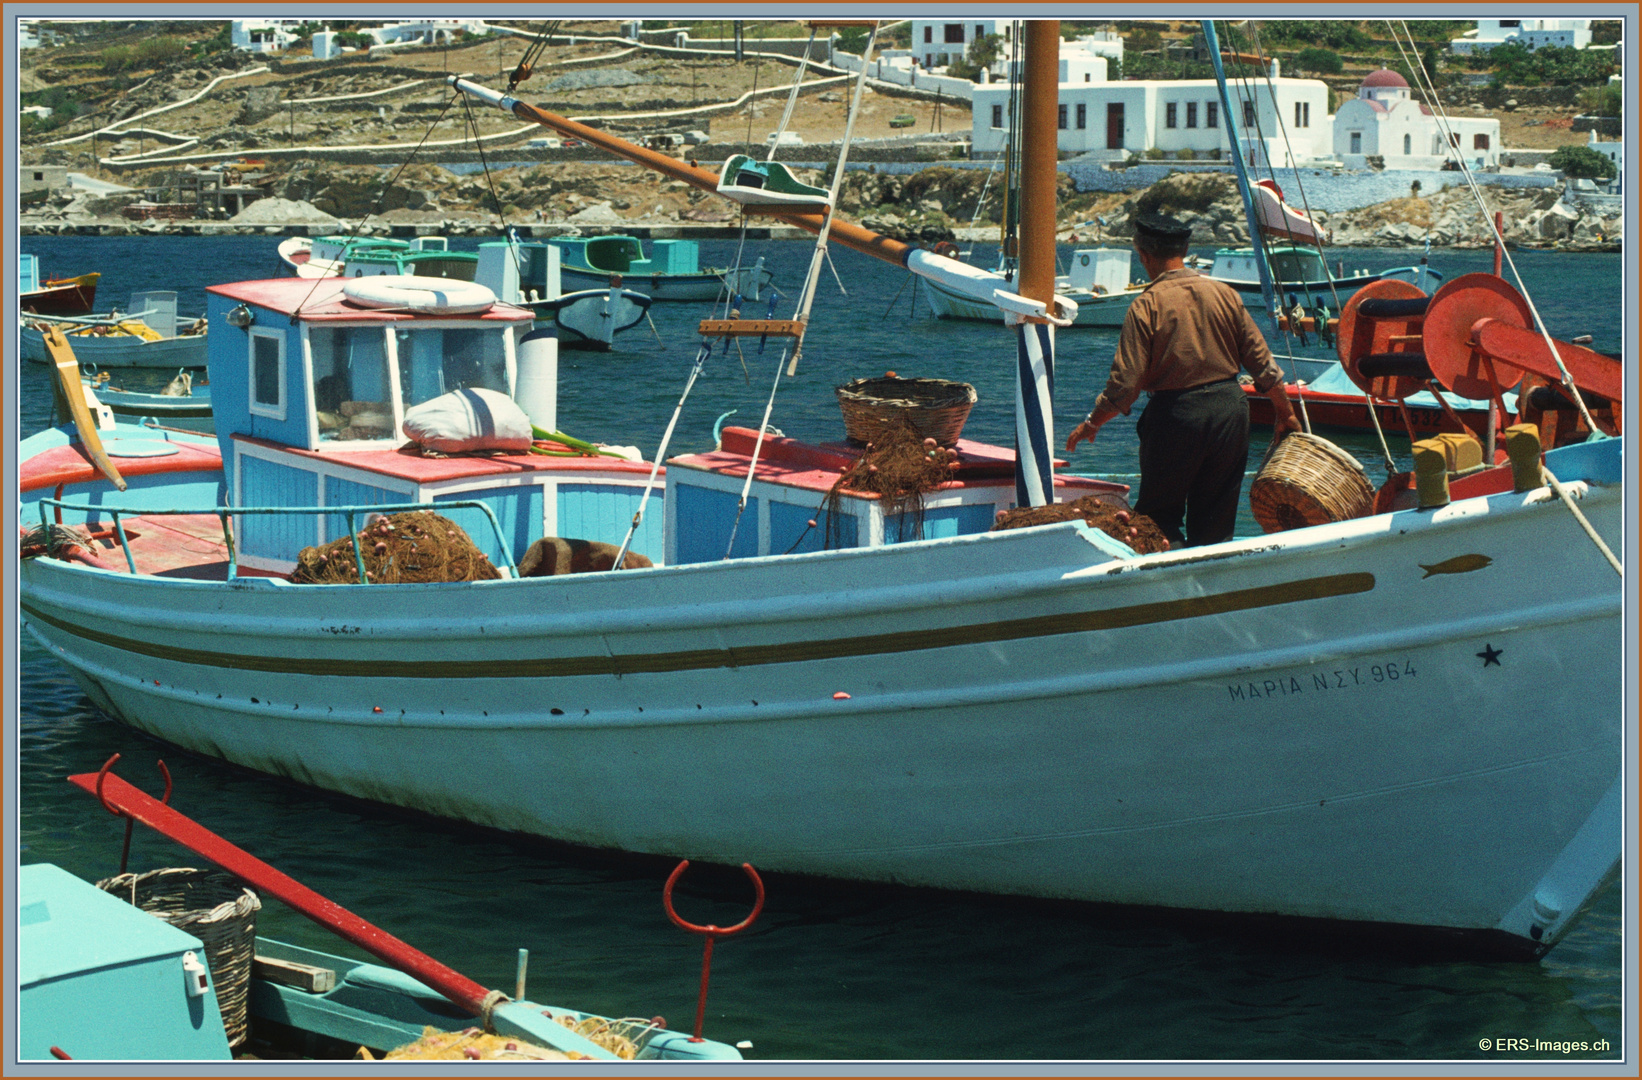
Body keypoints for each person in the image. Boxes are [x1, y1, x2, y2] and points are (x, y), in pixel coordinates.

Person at [1064, 212, 1303, 548]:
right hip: (1229, 411)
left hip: (1176, 417)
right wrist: (1285, 413)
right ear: (1186, 248)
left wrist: (1093, 422)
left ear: (1143, 255)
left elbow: (1125, 386)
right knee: (1217, 521)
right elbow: (1262, 364)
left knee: (1159, 521)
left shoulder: (1146, 305)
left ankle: (1167, 593)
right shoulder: (1225, 294)